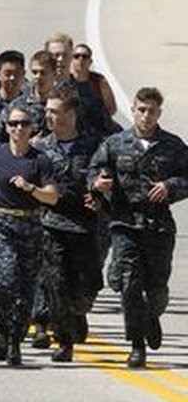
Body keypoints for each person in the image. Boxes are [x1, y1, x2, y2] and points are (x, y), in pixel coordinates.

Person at [89, 87, 188, 368]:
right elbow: (94, 169)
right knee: (130, 284)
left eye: (152, 111)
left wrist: (171, 186)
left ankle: (151, 316)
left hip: (158, 226)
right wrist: (98, 183)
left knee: (157, 287)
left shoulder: (173, 145)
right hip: (124, 223)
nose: (146, 116)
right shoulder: (115, 143)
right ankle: (136, 345)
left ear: (159, 113)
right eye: (141, 110)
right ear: (133, 110)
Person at [0, 105, 58, 366]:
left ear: (32, 127)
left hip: (31, 225)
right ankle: (3, 327)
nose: (18, 128)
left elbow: (52, 196)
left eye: (23, 124)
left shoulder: (40, 160)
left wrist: (31, 187)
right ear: (7, 126)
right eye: (13, 124)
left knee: (26, 288)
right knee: (5, 280)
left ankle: (15, 340)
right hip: (2, 222)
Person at [35, 88, 103, 362]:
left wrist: (101, 193)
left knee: (87, 286)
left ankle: (79, 311)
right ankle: (63, 341)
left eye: (55, 111)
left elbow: (108, 178)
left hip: (85, 226)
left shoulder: (95, 145)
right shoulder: (39, 148)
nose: (48, 116)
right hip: (51, 224)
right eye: (47, 110)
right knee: (56, 284)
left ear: (71, 114)